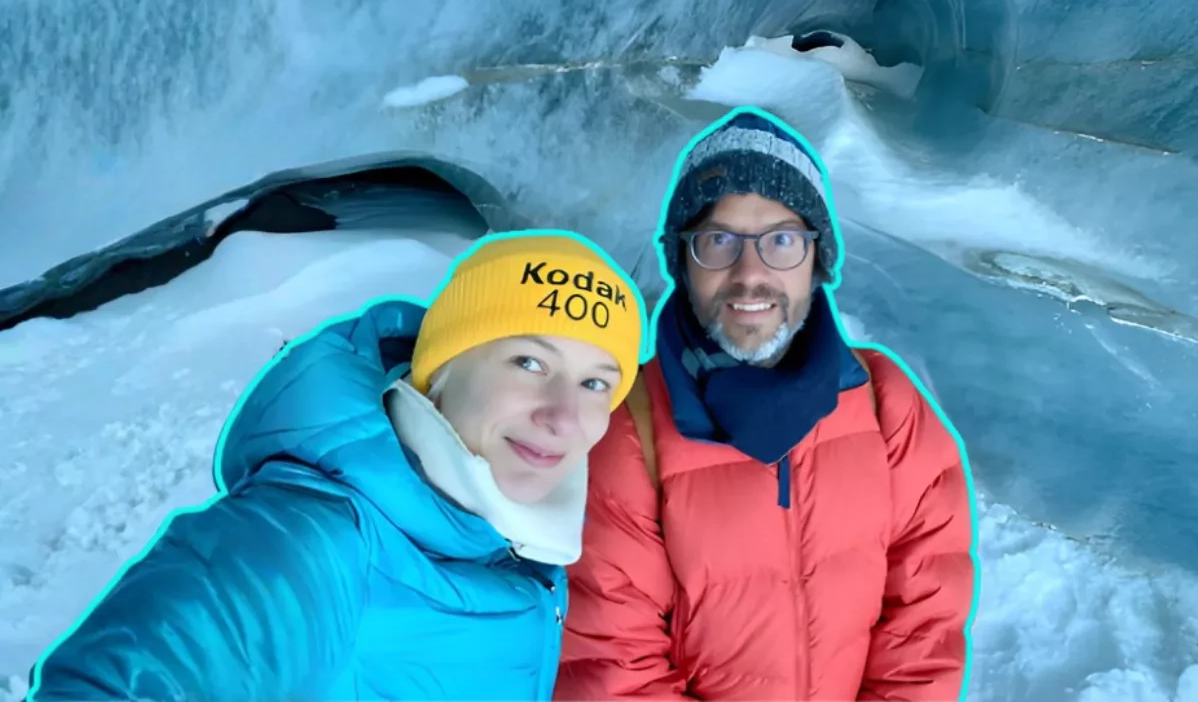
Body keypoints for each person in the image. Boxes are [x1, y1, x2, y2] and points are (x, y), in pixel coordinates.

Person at [27, 229, 646, 701]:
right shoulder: (317, 534)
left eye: (596, 384)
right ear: (443, 370)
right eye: (529, 364)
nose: (564, 416)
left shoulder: (512, 538)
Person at [555, 107, 979, 701]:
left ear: (816, 261)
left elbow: (924, 622)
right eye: (718, 240)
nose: (750, 273)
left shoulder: (886, 405)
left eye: (781, 239)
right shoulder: (630, 433)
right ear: (683, 260)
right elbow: (612, 665)